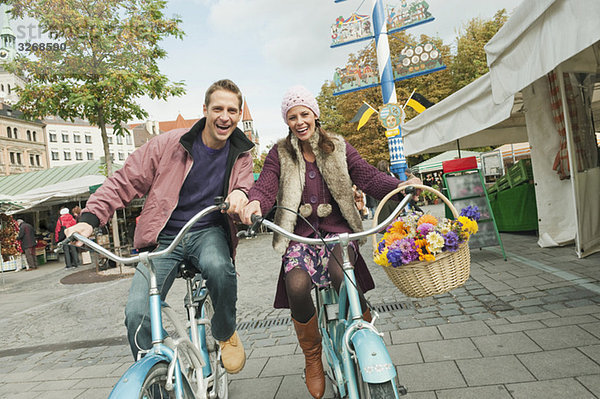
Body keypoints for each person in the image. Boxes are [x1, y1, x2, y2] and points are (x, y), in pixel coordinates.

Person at [240, 85, 420, 399]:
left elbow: (367, 176)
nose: (299, 121)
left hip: (339, 234)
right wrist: (255, 202)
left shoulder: (337, 146)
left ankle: (365, 327)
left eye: (304, 114)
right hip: (300, 238)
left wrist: (401, 186)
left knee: (342, 276)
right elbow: (266, 185)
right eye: (292, 117)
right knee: (295, 284)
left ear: (315, 115)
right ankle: (312, 356)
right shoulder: (279, 152)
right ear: (287, 122)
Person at [65, 79, 253, 374]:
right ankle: (154, 377)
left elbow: (244, 187)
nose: (224, 116)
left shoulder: (242, 152)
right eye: (218, 108)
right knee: (137, 313)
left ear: (239, 115)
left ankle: (225, 330)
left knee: (219, 267)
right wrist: (89, 220)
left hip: (208, 231)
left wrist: (241, 196)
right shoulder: (169, 144)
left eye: (232, 110)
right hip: (163, 237)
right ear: (204, 110)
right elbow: (124, 181)